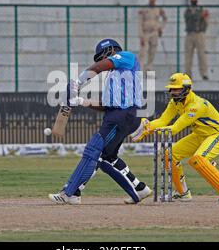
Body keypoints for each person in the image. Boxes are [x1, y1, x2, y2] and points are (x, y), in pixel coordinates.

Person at [48, 39, 152, 205]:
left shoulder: (126, 56)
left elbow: (97, 68)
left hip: (123, 115)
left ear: (111, 50)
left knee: (93, 150)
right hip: (117, 114)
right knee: (107, 158)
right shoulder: (113, 78)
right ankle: (139, 188)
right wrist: (81, 101)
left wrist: (78, 82)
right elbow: (106, 105)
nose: (99, 60)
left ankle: (71, 192)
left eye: (101, 56)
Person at [130, 73, 219, 202]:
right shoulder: (175, 103)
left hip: (218, 134)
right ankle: (182, 193)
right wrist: (147, 126)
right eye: (172, 89)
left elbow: (175, 129)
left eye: (177, 89)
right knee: (169, 155)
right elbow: (163, 121)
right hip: (199, 135)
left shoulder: (196, 106)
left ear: (187, 88)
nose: (173, 92)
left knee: (198, 159)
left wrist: (150, 131)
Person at [138, 0, 167, 72]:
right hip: (146, 32)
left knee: (152, 52)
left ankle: (149, 70)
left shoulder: (158, 9)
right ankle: (140, 70)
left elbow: (165, 19)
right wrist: (141, 36)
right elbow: (140, 23)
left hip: (154, 32)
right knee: (143, 52)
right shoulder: (144, 9)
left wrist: (161, 27)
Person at [184, 0, 209, 80]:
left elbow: (206, 22)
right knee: (188, 55)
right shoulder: (188, 10)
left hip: (199, 34)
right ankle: (188, 73)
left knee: (202, 54)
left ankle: (204, 73)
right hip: (190, 33)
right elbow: (187, 19)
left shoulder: (201, 9)